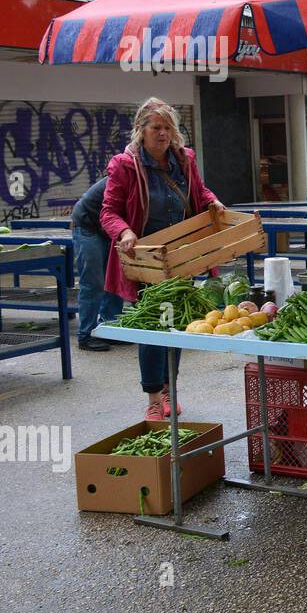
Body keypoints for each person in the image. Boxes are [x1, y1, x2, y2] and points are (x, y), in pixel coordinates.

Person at [103, 98, 221, 421]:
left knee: (176, 323)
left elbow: (199, 192)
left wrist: (213, 202)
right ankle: (154, 398)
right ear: (141, 130)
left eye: (168, 127)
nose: (163, 133)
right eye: (156, 127)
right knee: (154, 326)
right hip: (146, 261)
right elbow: (108, 212)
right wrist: (125, 231)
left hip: (180, 258)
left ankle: (170, 392)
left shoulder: (184, 161)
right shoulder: (124, 166)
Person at [70, 176, 124, 351]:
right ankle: (85, 335)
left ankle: (110, 329)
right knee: (93, 283)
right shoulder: (124, 176)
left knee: (114, 280)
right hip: (88, 227)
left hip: (108, 230)